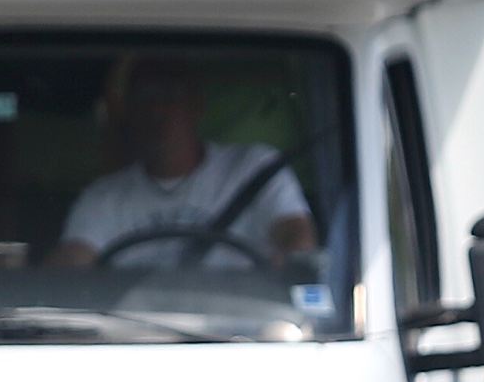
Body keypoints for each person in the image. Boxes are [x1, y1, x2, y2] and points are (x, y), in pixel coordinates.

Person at [50, 61, 318, 269]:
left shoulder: (254, 168)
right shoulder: (104, 197)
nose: (158, 110)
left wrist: (286, 267)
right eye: (145, 96)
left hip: (242, 332)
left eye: (171, 95)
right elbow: (73, 262)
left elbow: (296, 238)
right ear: (130, 113)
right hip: (133, 332)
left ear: (197, 106)